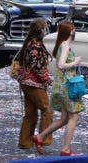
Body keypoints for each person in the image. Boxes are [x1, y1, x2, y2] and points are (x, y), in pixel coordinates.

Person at [33, 22, 84, 156]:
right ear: (69, 32)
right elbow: (61, 65)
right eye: (73, 29)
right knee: (74, 116)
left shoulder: (62, 45)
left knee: (64, 118)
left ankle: (40, 137)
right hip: (68, 86)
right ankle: (66, 148)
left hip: (61, 85)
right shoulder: (65, 46)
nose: (75, 31)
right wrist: (75, 62)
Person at [17, 18, 53, 150]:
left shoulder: (29, 43)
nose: (45, 30)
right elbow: (36, 66)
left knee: (30, 113)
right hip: (34, 83)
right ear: (41, 29)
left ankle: (25, 142)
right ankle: (43, 138)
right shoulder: (35, 45)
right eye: (44, 27)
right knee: (47, 110)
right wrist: (46, 79)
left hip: (25, 82)